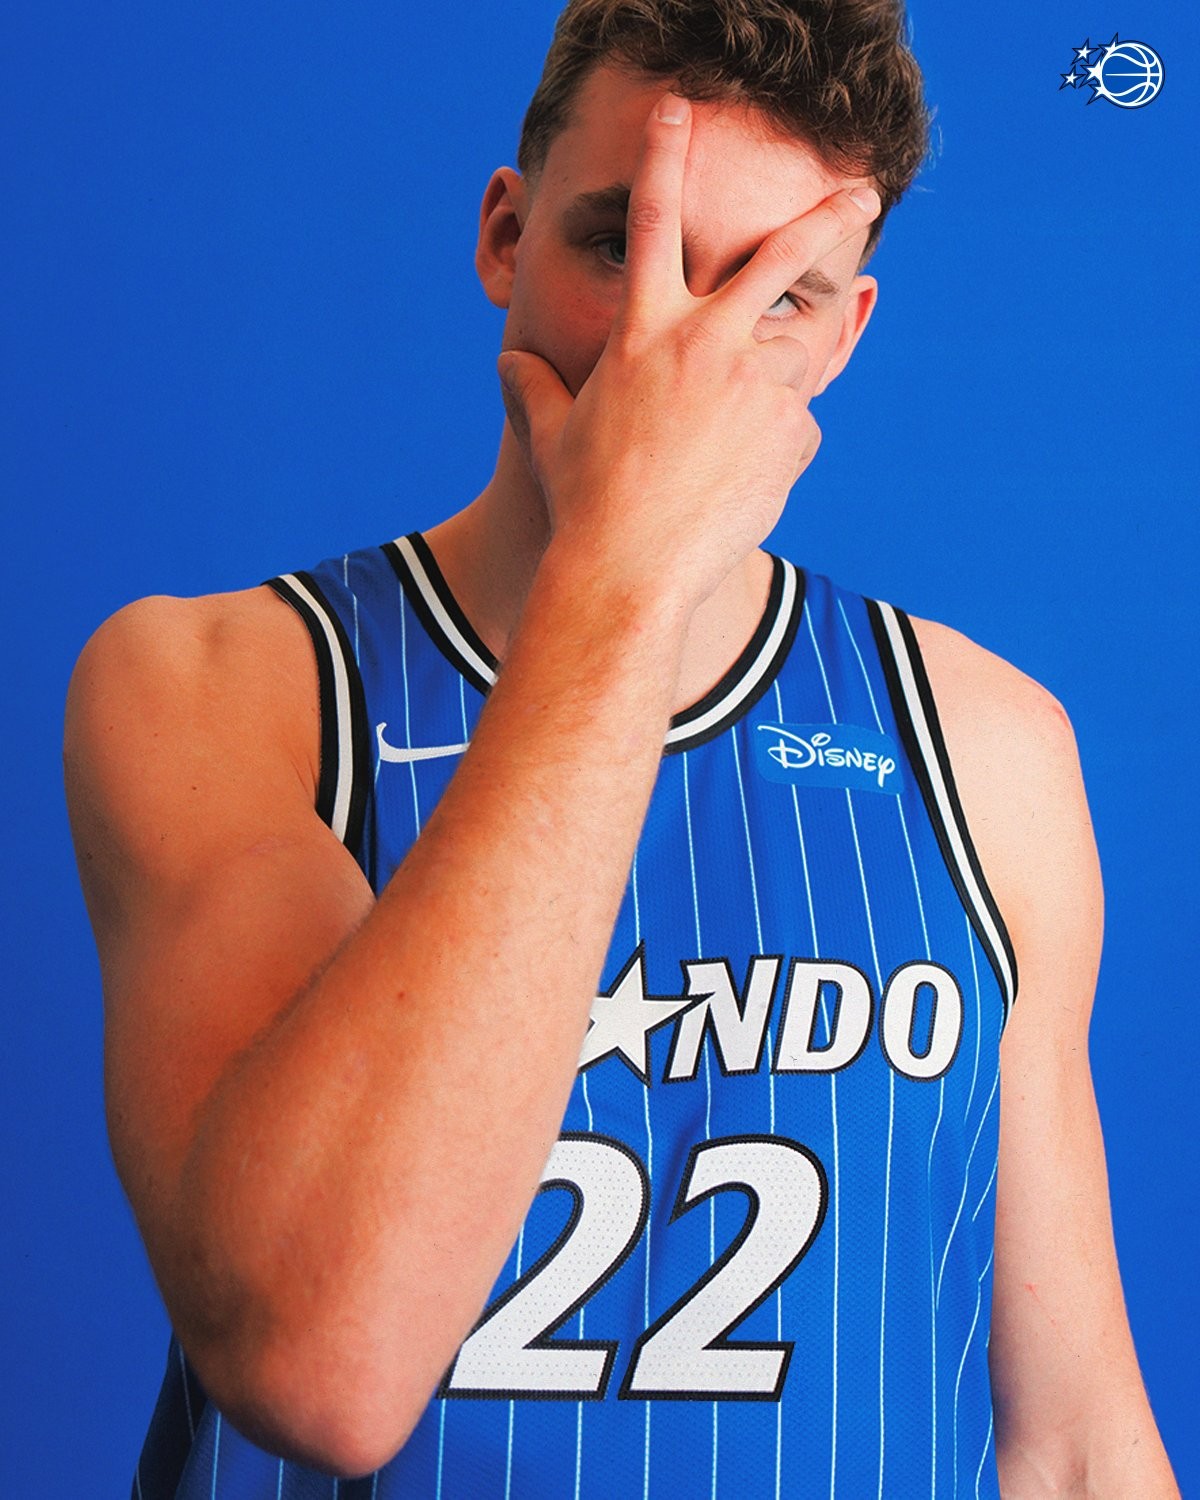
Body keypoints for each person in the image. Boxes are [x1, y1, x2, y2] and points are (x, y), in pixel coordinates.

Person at [65, 1, 1178, 1495]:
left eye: (771, 293)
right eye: (619, 246)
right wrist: (625, 577)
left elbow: (1076, 1446)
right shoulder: (224, 684)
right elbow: (318, 1362)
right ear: (504, 238)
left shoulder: (983, 744)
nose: (675, 353)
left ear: (845, 334)